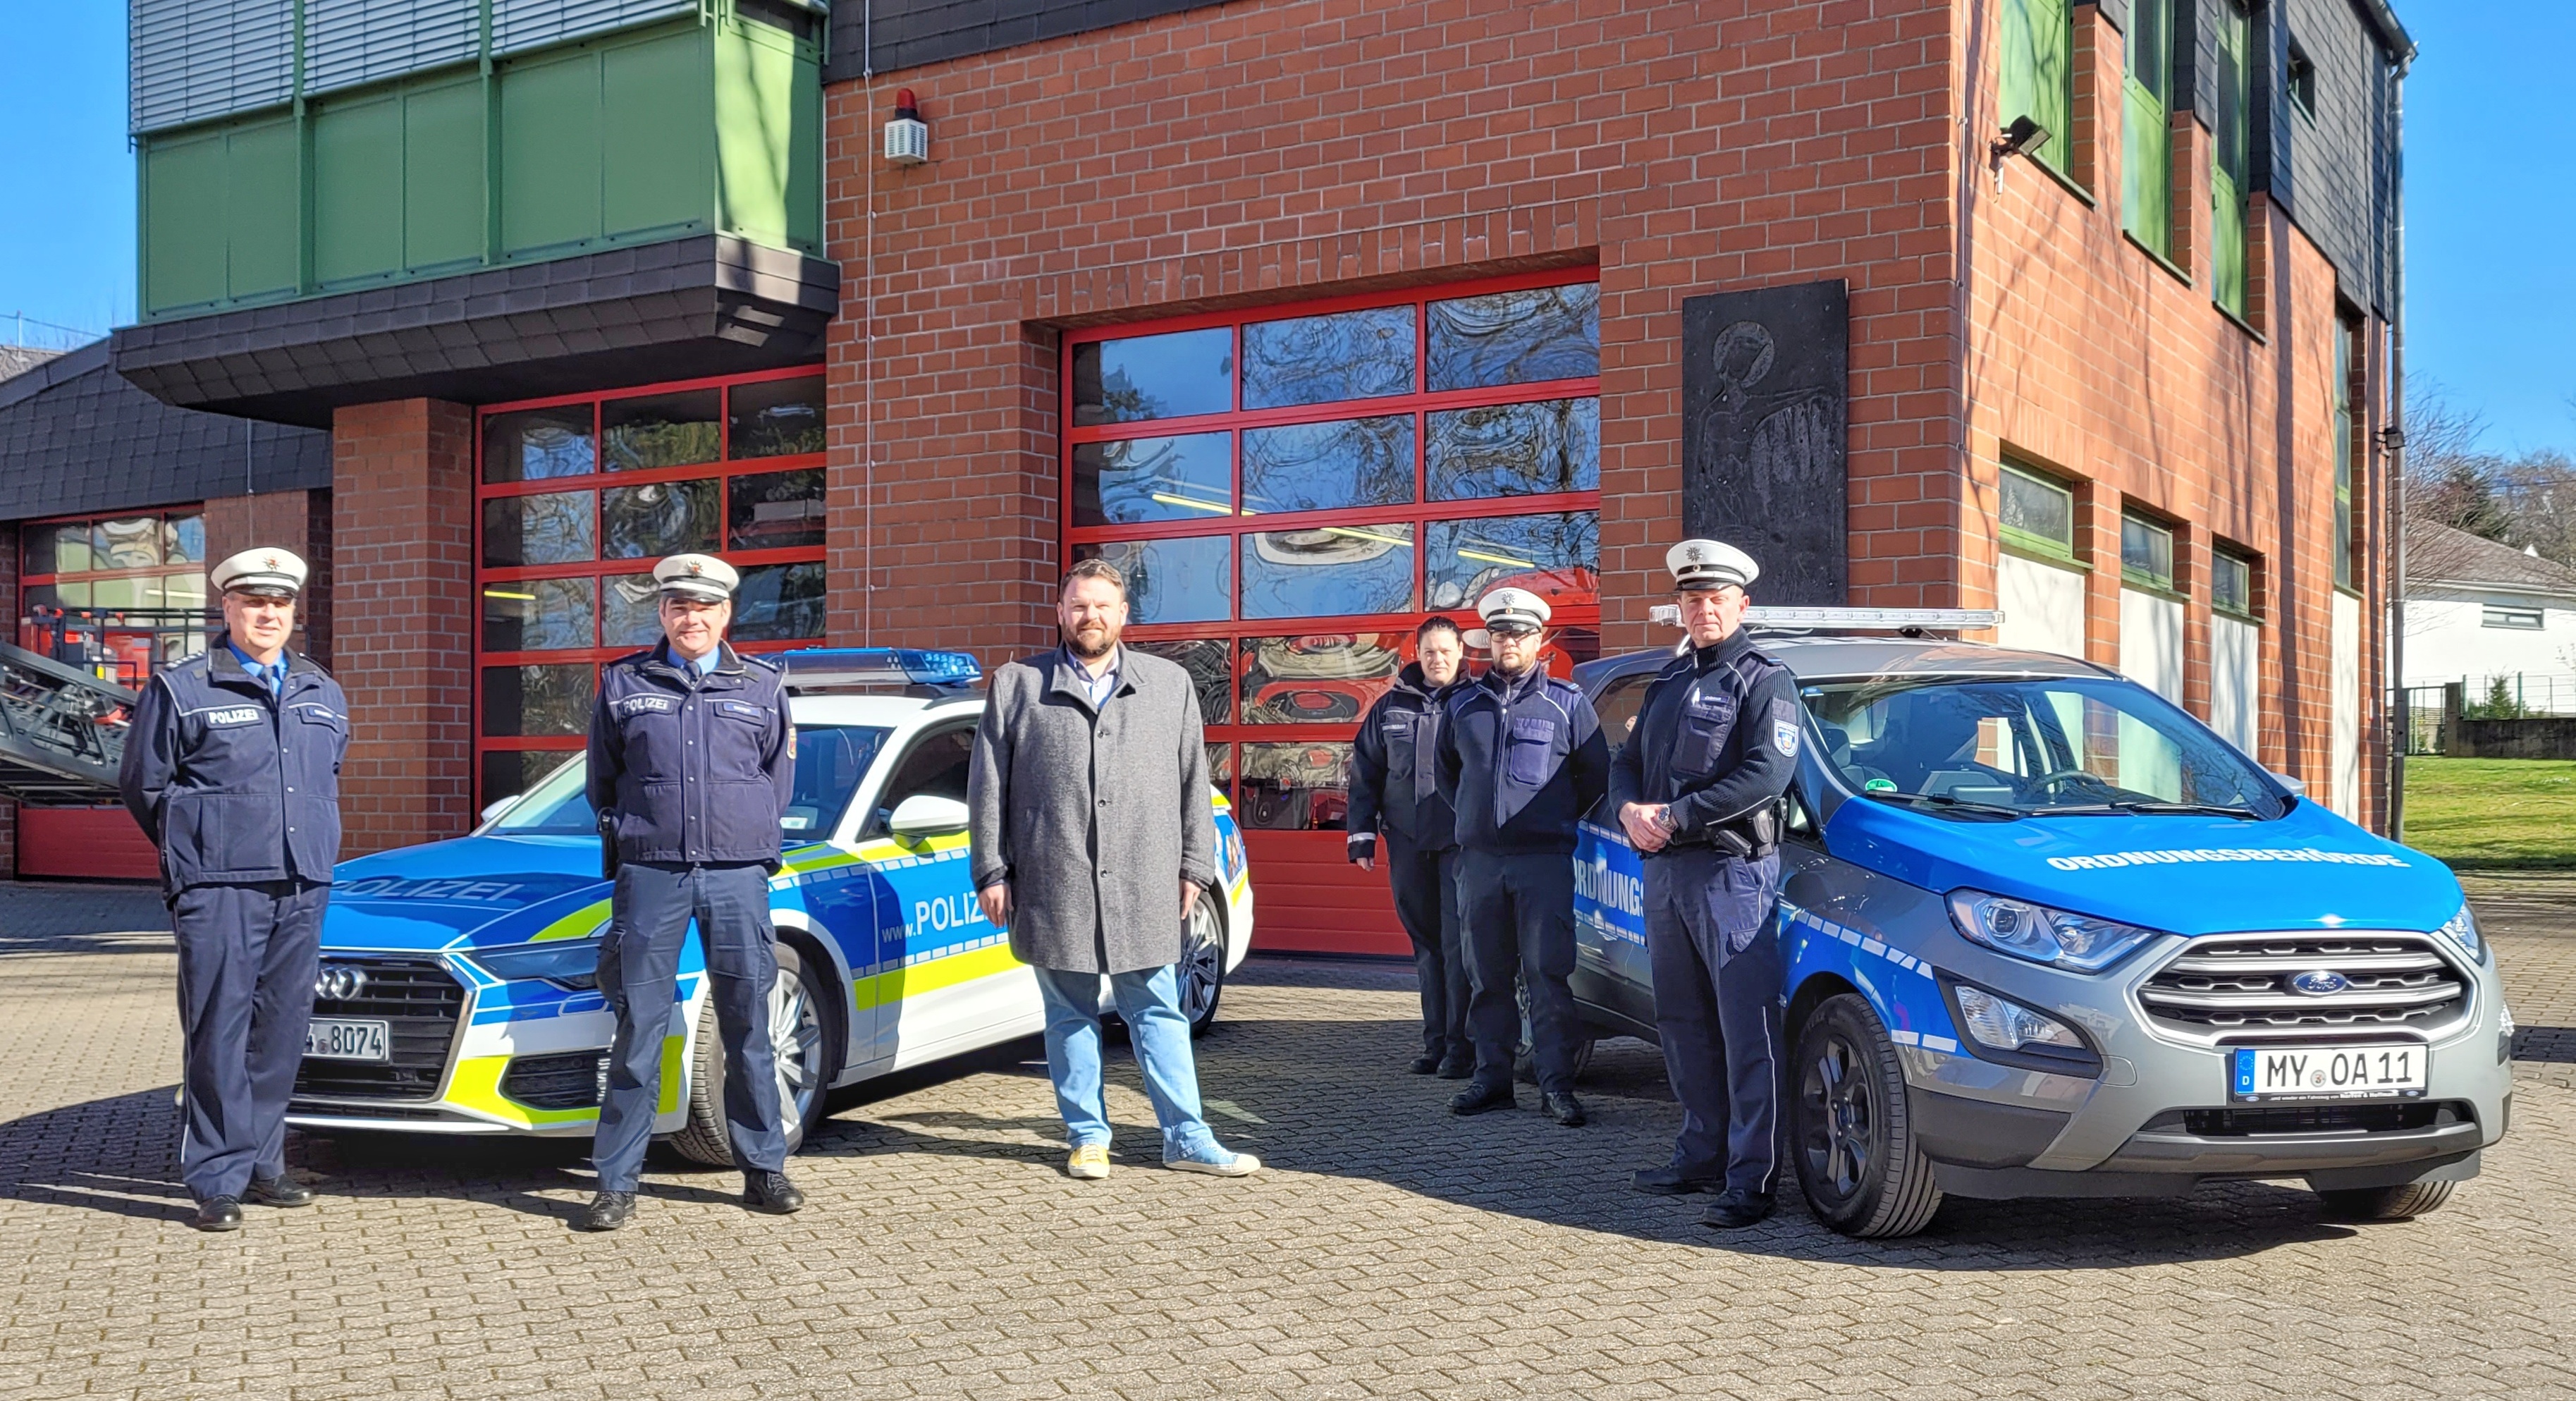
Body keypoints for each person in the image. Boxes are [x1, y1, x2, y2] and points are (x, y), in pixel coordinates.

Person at [967, 558, 1260, 1181]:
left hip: (1144, 881)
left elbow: (1192, 782)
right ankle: (1087, 1137)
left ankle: (1187, 1135)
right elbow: (987, 784)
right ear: (1060, 612)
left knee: (1158, 1009)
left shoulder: (1170, 684)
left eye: (1102, 605)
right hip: (1055, 879)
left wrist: (1195, 864)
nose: (1090, 616)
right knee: (1069, 1013)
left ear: (1124, 614)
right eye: (1078, 605)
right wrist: (991, 869)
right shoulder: (1018, 684)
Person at [118, 547, 348, 1232]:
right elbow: (143, 785)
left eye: (278, 604)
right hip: (218, 886)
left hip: (301, 881)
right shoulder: (181, 688)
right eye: (253, 602)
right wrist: (198, 847)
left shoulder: (321, 690)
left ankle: (263, 1163)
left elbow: (324, 775)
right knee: (218, 1028)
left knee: (280, 1030)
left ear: (293, 613)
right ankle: (216, 1175)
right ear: (227, 608)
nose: (267, 614)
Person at [580, 552, 805, 1232]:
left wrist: (745, 842)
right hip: (653, 875)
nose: (692, 618)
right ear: (663, 614)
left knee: (747, 1024)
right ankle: (616, 1182)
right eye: (679, 607)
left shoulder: (762, 688)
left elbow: (776, 781)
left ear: (725, 614)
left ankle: (764, 1169)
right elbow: (603, 781)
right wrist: (635, 837)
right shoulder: (623, 684)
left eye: (704, 607)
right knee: (640, 1028)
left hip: (737, 875)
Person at [1609, 539, 1801, 1229]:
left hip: (1731, 874)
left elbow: (1766, 776)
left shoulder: (1762, 680)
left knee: (1746, 1030)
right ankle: (1700, 1152)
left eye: (1716, 598)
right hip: (1665, 873)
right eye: (1693, 599)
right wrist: (1628, 809)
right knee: (1682, 1023)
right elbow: (1625, 763)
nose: (1704, 608)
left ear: (1742, 604)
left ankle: (1752, 1178)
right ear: (1681, 608)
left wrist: (1679, 813)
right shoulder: (1667, 682)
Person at [1434, 587, 1609, 1127]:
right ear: (1488, 639)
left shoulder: (1569, 704)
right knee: (1485, 975)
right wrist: (1479, 821)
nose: (1509, 641)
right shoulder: (1461, 704)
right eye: (1500, 633)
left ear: (1541, 638)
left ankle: (1556, 1085)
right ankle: (1492, 1079)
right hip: (1481, 862)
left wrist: (1548, 821)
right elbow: (1449, 778)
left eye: (1520, 632)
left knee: (1547, 975)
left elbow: (1594, 778)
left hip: (1543, 861)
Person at [1347, 616, 1475, 1077]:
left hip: (1462, 844)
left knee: (1460, 945)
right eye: (1429, 652)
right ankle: (1435, 1043)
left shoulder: (1477, 703)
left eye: (1445, 650)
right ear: (1417, 655)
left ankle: (1463, 1049)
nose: (1437, 659)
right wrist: (1360, 834)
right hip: (1407, 841)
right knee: (1426, 946)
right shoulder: (1390, 707)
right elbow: (1365, 772)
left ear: (1461, 651)